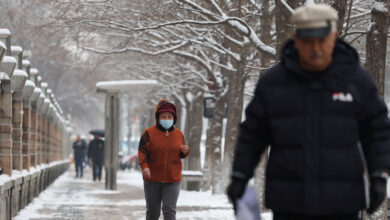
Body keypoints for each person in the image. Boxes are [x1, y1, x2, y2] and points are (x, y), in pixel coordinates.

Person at [227, 4, 390, 220]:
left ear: (334, 36)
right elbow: (252, 135)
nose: (315, 48)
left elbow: (377, 131)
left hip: (343, 203)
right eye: (307, 41)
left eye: (322, 40)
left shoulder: (356, 81)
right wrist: (240, 174)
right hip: (289, 203)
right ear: (296, 39)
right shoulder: (273, 83)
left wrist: (379, 175)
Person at [138, 99, 190, 220]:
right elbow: (142, 153)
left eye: (169, 116)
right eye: (163, 117)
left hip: (172, 180)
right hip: (152, 180)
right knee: (153, 213)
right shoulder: (148, 133)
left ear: (174, 118)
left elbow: (182, 153)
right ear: (158, 117)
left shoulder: (179, 134)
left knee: (169, 211)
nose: (167, 119)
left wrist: (186, 151)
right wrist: (145, 168)